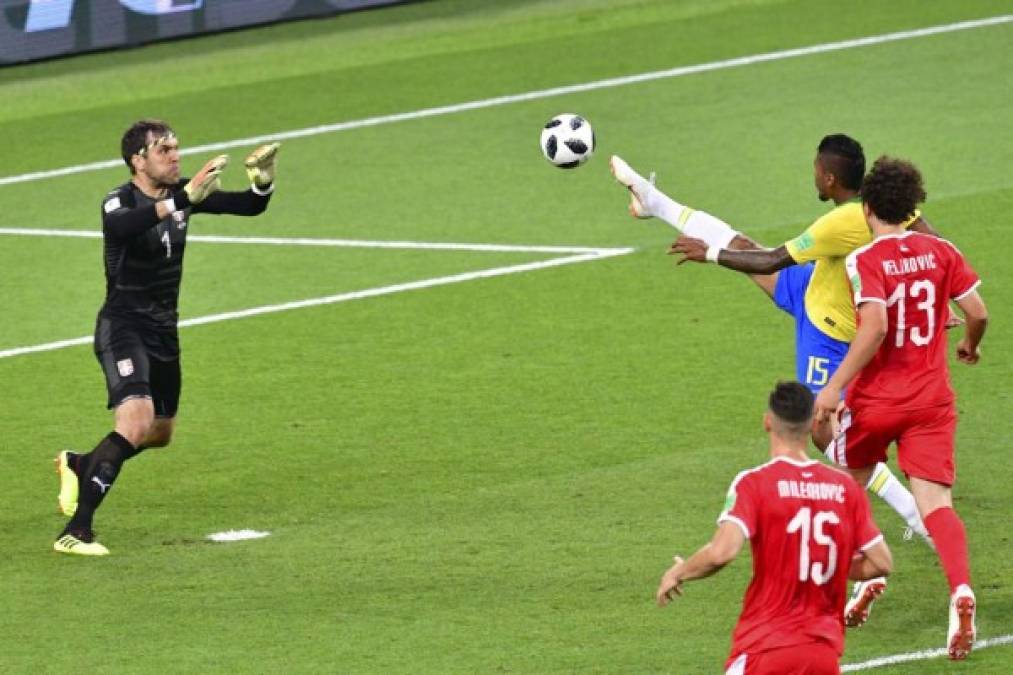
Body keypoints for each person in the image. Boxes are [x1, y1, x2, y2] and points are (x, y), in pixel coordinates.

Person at [612, 136, 927, 621]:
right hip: (815, 289)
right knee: (740, 244)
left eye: (815, 169)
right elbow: (933, 245)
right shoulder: (891, 208)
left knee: (826, 433)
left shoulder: (841, 221)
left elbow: (771, 259)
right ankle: (655, 202)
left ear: (828, 178)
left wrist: (709, 256)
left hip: (828, 332)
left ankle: (912, 513)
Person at [52, 119, 280, 556]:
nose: (175, 155)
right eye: (164, 150)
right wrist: (183, 198)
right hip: (123, 328)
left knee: (158, 433)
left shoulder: (184, 198)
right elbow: (122, 228)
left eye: (176, 147)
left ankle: (81, 464)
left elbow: (250, 207)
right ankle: (76, 531)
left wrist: (263, 181)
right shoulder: (119, 201)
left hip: (163, 332)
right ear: (138, 161)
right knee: (135, 422)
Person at [812, 157, 987, 660]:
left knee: (846, 480)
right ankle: (960, 592)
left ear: (866, 209)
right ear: (914, 208)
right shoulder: (942, 251)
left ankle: (865, 573)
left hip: (877, 402)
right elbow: (977, 311)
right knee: (937, 507)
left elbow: (875, 327)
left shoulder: (864, 261)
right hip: (932, 401)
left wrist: (833, 388)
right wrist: (971, 346)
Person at [656, 381, 892, 675]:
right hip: (822, 655)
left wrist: (678, 572)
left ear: (768, 421)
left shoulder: (755, 484)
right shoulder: (845, 488)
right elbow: (881, 562)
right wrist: (824, 564)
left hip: (765, 648)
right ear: (811, 424)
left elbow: (722, 552)